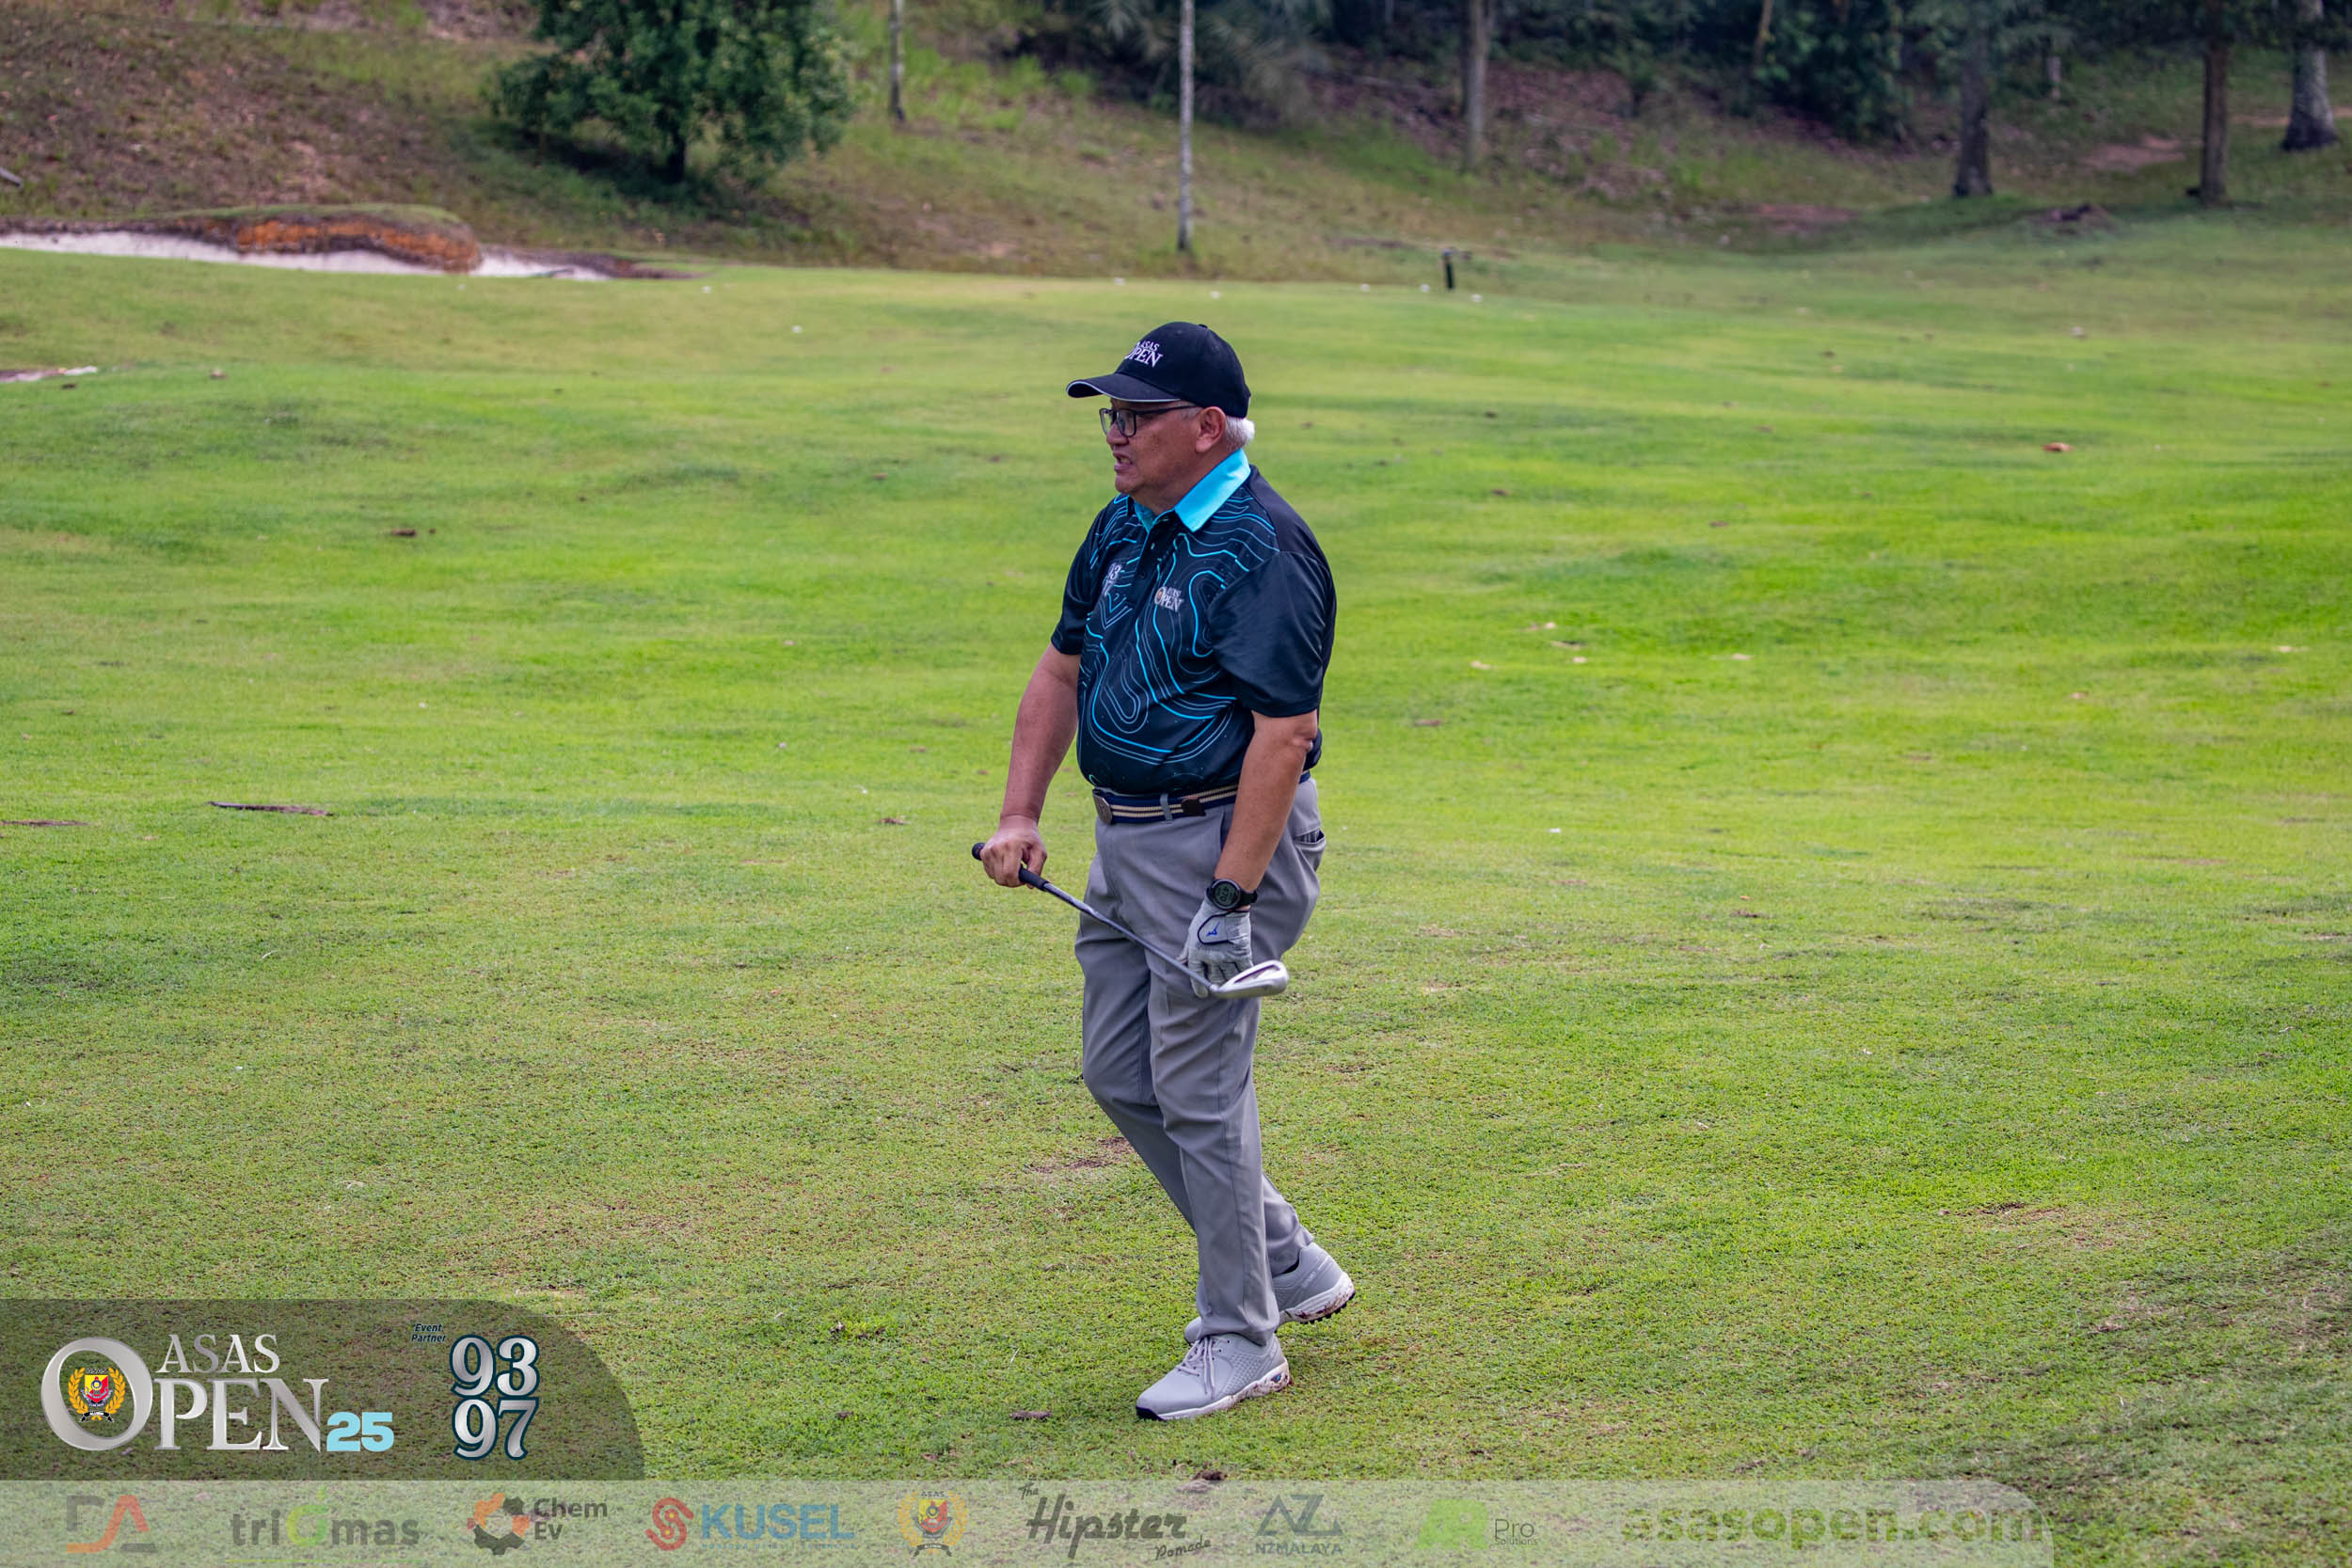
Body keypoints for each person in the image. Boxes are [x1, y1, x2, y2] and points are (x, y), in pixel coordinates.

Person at [978, 322, 1353, 1420]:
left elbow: (1284, 734)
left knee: (1196, 1086)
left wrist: (1231, 902)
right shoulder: (1124, 525)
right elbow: (1061, 669)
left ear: (1206, 427)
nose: (1116, 432)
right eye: (1112, 413)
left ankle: (1241, 1336)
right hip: (1128, 840)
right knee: (1118, 1071)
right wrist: (1020, 809)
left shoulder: (1262, 545)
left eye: (1137, 416)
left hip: (1224, 841)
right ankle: (1285, 1260)